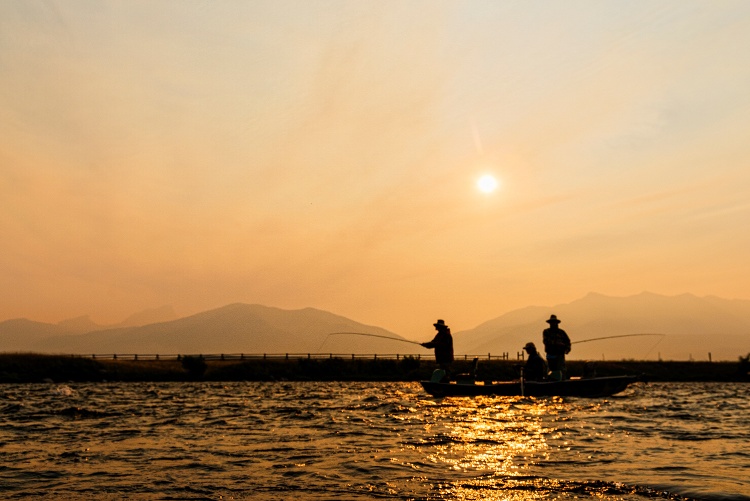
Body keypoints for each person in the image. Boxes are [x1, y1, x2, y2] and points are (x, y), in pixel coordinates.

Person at [542, 314, 571, 381]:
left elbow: (568, 342)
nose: (553, 324)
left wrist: (567, 349)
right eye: (552, 322)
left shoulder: (562, 332)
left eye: (554, 322)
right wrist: (556, 343)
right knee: (550, 372)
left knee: (561, 371)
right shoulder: (546, 332)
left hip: (560, 356)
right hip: (550, 355)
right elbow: (546, 341)